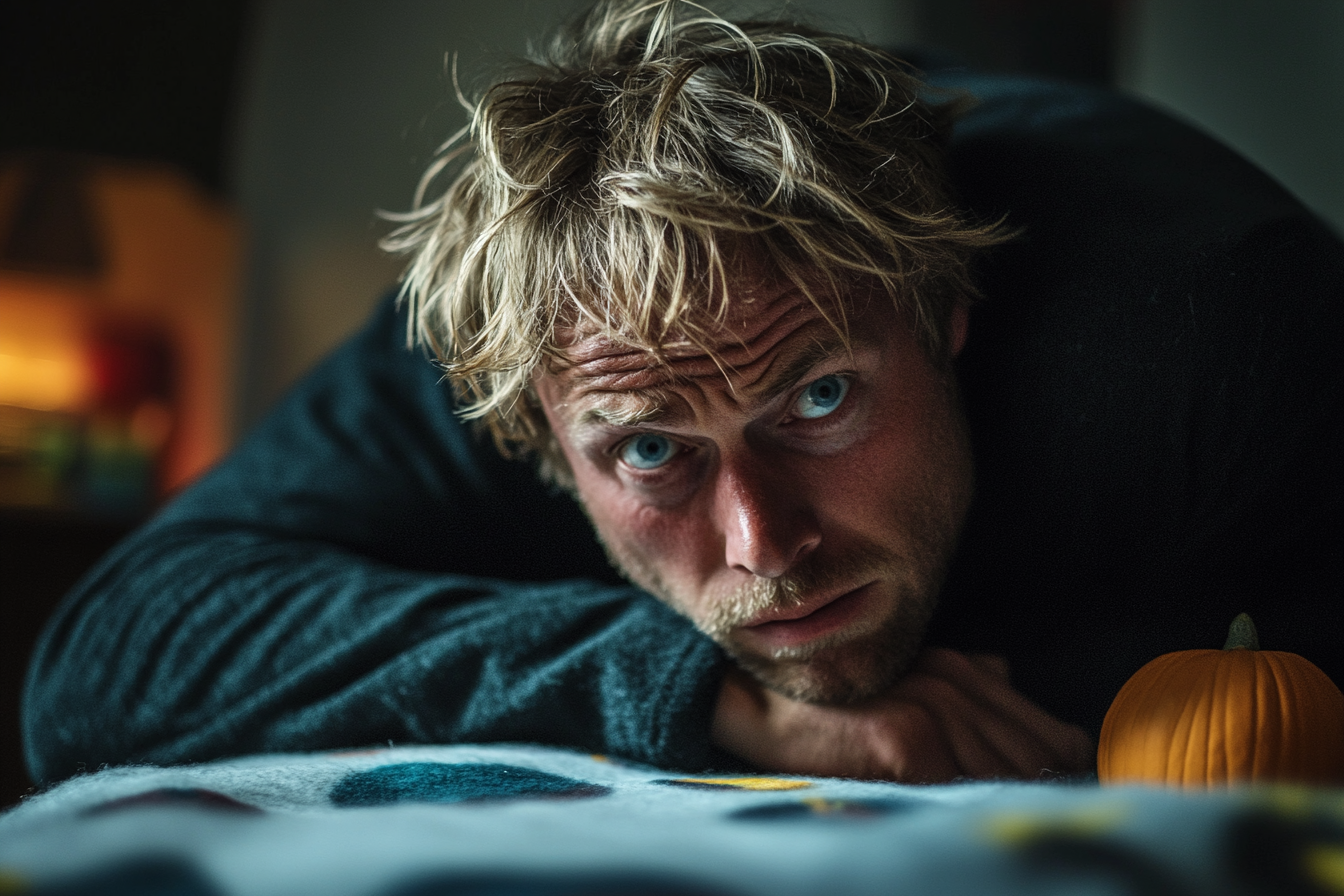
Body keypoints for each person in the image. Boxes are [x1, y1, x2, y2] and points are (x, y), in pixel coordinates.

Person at [23, 1, 1341, 787]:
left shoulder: (1226, 339)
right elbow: (104, 657)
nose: (765, 547)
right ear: (541, 425)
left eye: (820, 400)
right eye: (653, 451)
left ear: (945, 316)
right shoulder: (524, 324)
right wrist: (697, 691)